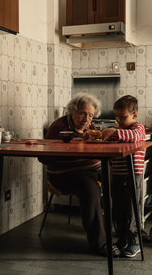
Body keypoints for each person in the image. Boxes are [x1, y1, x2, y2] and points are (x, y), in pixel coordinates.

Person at [38, 92, 119, 256]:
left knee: (117, 181)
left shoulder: (91, 129)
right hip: (63, 174)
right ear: (72, 111)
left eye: (90, 115)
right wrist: (66, 147)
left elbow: (98, 149)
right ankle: (99, 243)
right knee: (90, 188)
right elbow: (43, 157)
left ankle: (119, 232)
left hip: (91, 171)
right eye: (83, 113)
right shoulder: (59, 127)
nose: (87, 119)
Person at [101, 95, 145, 258]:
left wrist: (115, 132)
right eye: (116, 116)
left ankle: (135, 241)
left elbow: (134, 137)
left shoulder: (137, 128)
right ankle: (122, 238)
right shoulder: (118, 130)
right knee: (118, 209)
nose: (118, 120)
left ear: (134, 115)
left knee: (132, 209)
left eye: (123, 116)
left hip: (133, 176)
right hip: (118, 175)